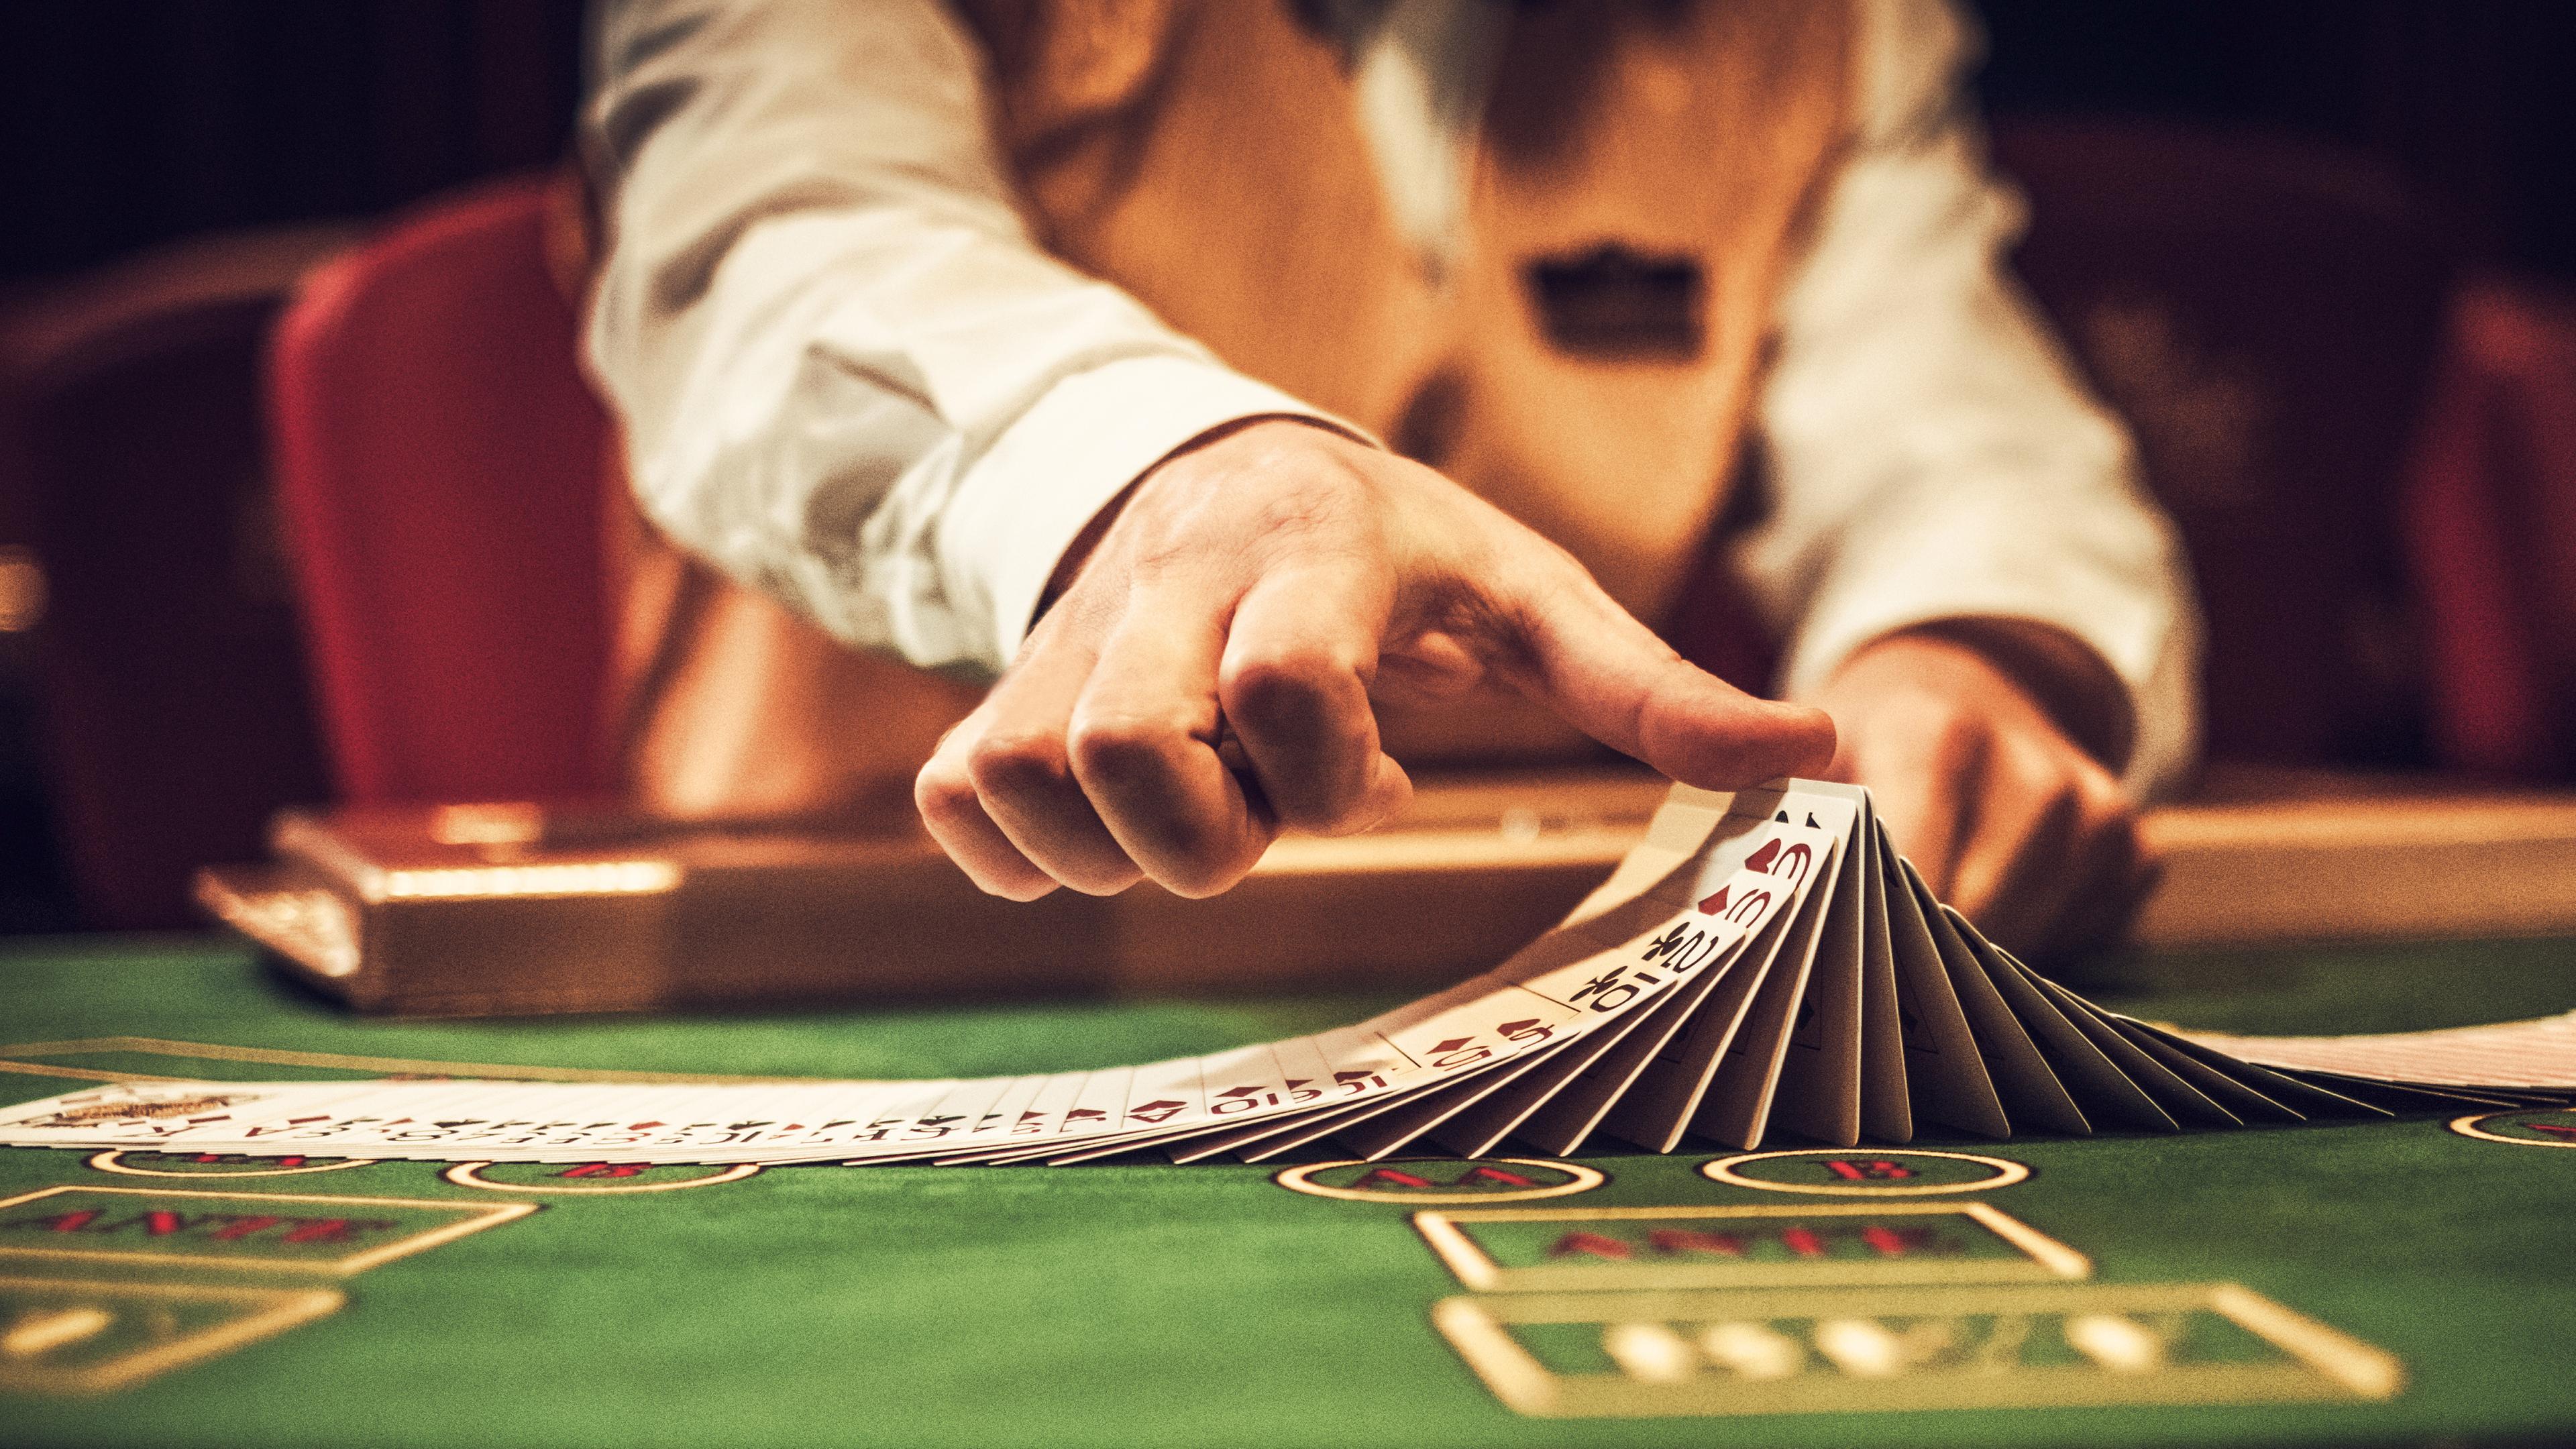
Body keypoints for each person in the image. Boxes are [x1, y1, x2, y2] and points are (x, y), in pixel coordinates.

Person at [580, 0, 2200, 958]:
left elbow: (1965, 435)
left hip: (1534, 989)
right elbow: (770, 253)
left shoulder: (1832, 26)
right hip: (863, 956)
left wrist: (1967, 651)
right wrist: (1172, 480)